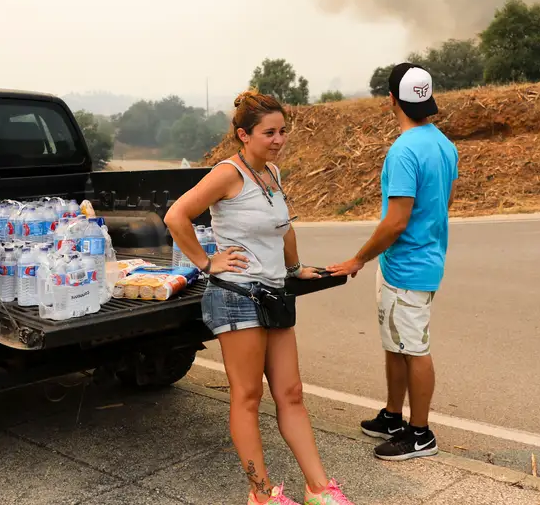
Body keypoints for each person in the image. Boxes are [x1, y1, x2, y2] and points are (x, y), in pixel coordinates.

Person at [165, 91, 354, 505]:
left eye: (283, 131)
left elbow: (284, 228)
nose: (278, 139)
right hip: (235, 296)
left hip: (273, 293)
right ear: (243, 135)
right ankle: (262, 494)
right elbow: (176, 215)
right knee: (247, 397)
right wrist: (205, 261)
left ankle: (319, 489)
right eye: (269, 132)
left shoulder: (273, 174)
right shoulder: (227, 174)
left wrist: (294, 268)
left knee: (292, 394)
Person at [327, 63, 458, 462]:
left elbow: (397, 219)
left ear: (391, 100)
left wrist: (358, 259)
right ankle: (393, 416)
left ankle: (419, 434)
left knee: (413, 347)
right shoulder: (444, 145)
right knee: (396, 342)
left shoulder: (403, 150)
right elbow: (444, 204)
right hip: (422, 258)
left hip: (406, 265)